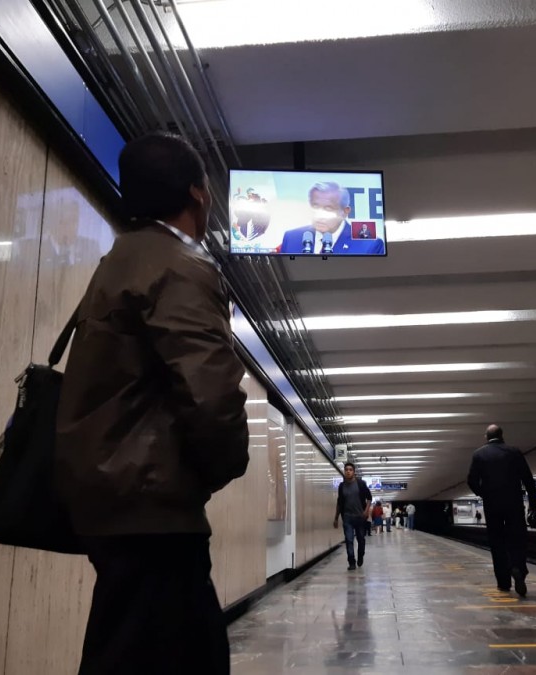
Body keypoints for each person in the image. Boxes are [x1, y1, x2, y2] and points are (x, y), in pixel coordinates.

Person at [56, 132, 250, 675]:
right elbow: (209, 390)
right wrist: (224, 465)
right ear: (198, 194)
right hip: (151, 506)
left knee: (128, 650)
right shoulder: (181, 265)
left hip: (111, 500)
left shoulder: (119, 260)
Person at [467, 424, 536, 597]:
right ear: (502, 435)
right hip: (514, 503)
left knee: (497, 542)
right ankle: (518, 568)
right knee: (517, 538)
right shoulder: (514, 452)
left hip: (492, 505)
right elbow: (528, 479)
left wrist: (485, 494)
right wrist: (534, 506)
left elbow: (471, 480)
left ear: (486, 437)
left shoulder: (479, 454)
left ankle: (503, 582)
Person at [278, 182, 385, 255]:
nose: (320, 214)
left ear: (345, 212)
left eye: (328, 208)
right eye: (315, 206)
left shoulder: (370, 244)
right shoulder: (291, 237)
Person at [333, 462, 372, 571]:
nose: (348, 471)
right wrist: (336, 518)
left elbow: (369, 498)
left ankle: (360, 555)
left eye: (350, 469)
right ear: (344, 472)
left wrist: (366, 510)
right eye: (346, 470)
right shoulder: (341, 486)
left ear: (354, 472)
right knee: (349, 540)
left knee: (361, 539)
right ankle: (351, 562)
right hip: (347, 517)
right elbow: (339, 503)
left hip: (360, 517)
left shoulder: (361, 484)